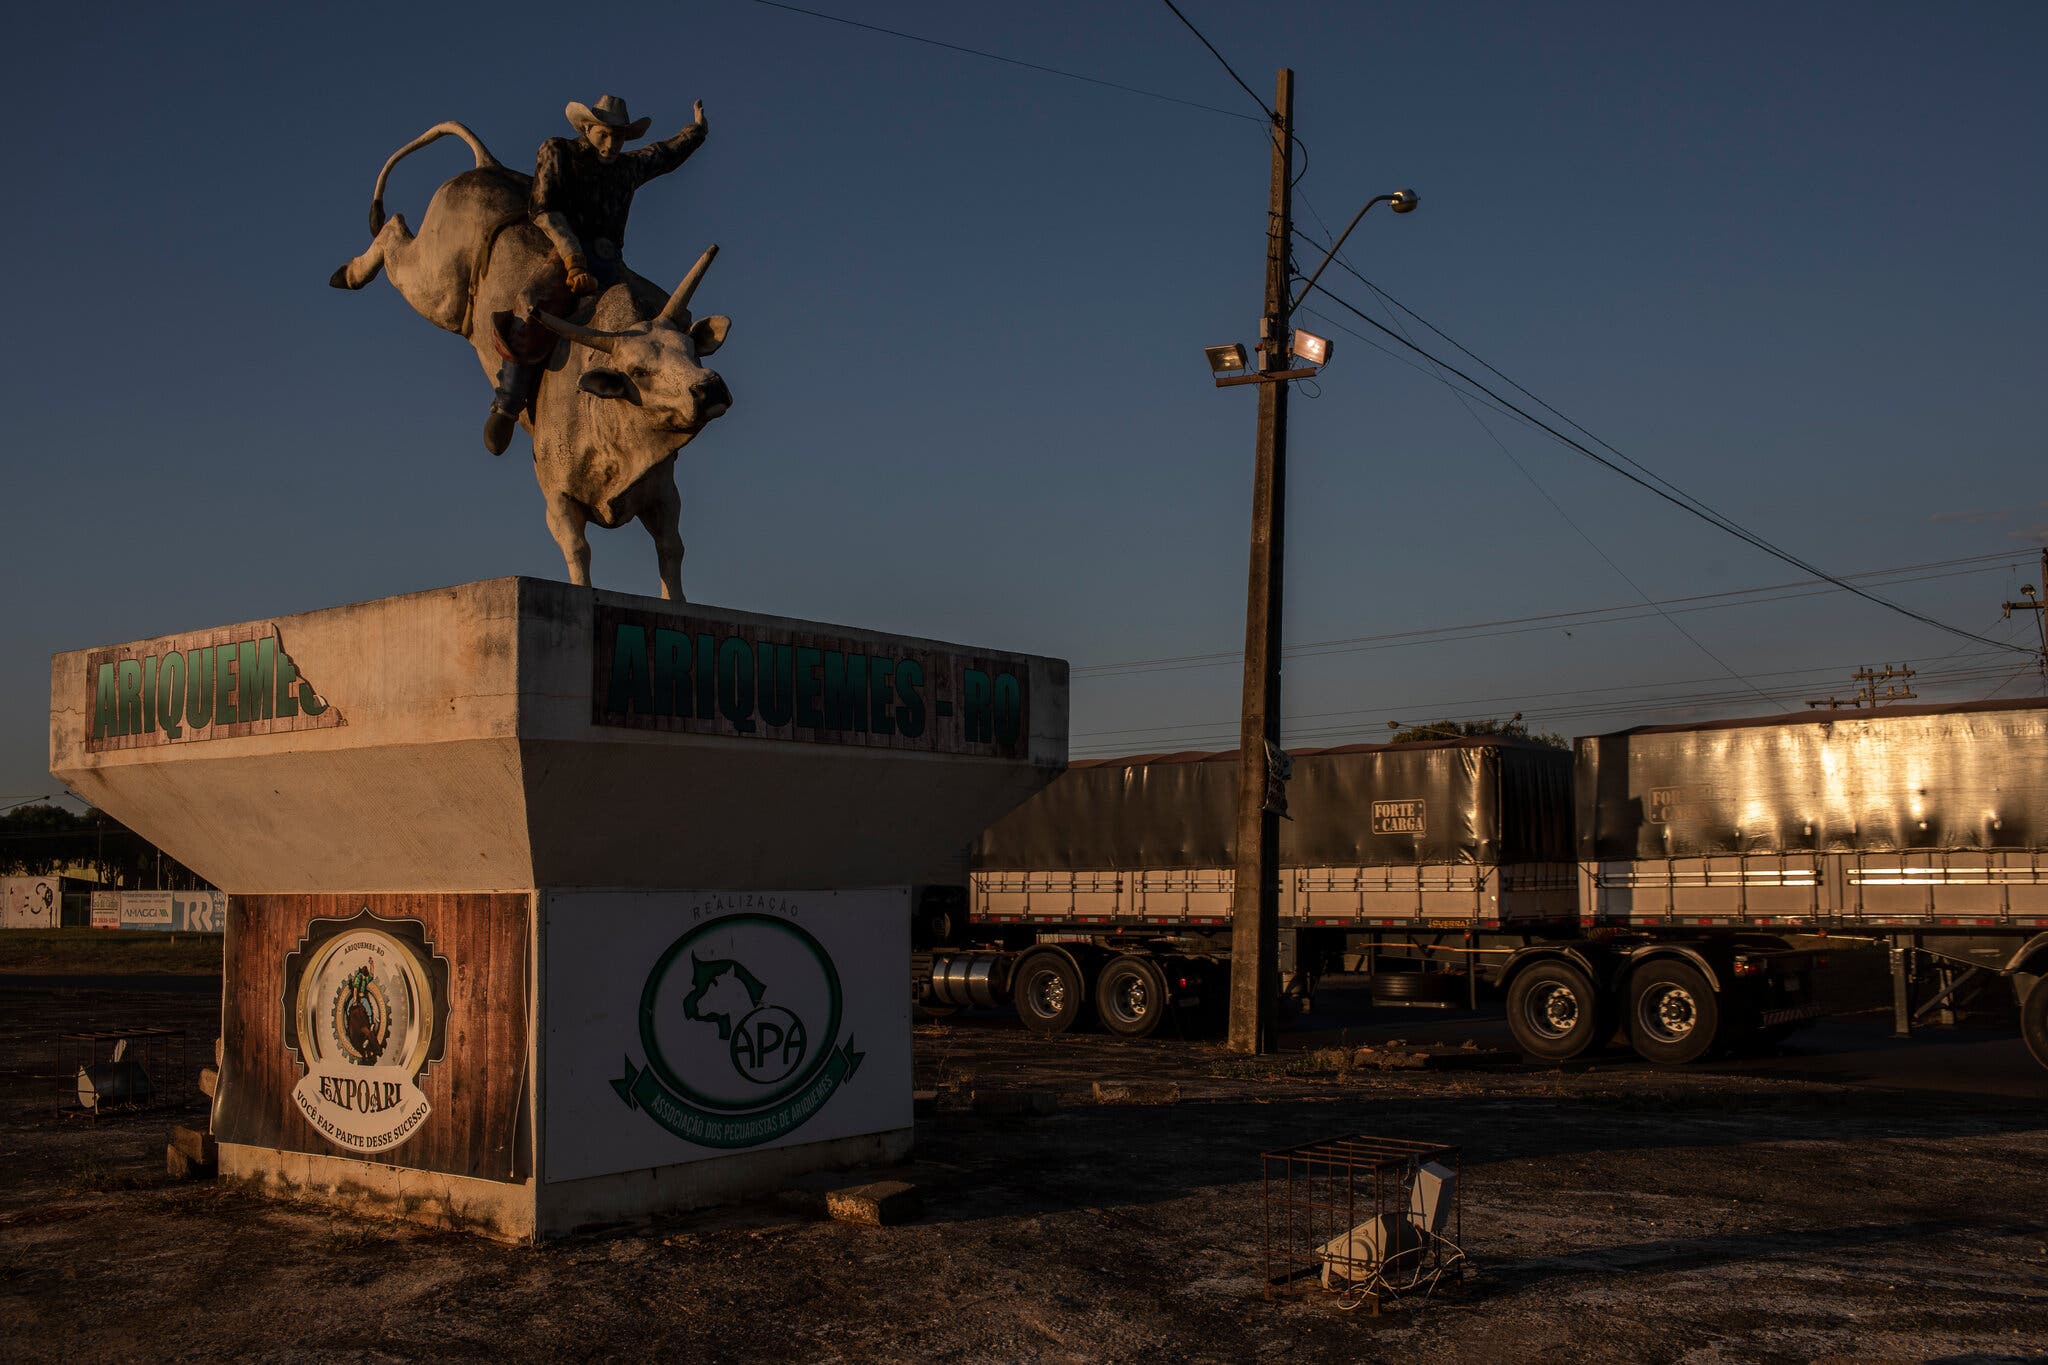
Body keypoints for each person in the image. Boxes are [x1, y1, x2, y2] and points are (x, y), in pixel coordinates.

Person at [484, 95, 708, 454]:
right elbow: (543, 210)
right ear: (587, 128)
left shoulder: (625, 167)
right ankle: (508, 403)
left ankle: (672, 403)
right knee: (530, 307)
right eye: (605, 134)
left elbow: (663, 155)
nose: (612, 143)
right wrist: (573, 258)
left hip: (611, 265)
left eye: (619, 136)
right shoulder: (558, 152)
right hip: (565, 253)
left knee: (675, 319)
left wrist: (696, 131)